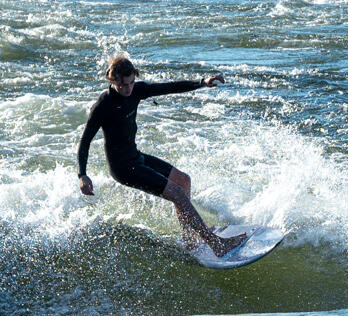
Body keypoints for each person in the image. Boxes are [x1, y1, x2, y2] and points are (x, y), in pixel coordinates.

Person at [76, 55, 244, 255]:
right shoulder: (103, 104)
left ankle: (190, 239)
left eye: (131, 83)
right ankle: (216, 244)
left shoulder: (137, 91)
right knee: (178, 194)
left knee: (183, 181)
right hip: (123, 168)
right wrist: (82, 174)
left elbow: (169, 87)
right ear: (113, 81)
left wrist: (202, 82)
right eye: (124, 85)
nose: (128, 89)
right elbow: (85, 140)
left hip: (135, 157)